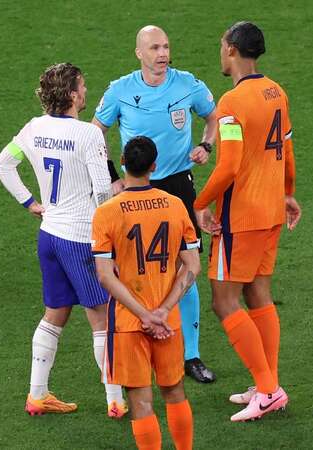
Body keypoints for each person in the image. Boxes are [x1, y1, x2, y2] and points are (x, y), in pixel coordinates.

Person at [0, 62, 127, 418]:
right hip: (81, 239)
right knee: (102, 316)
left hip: (49, 235)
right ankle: (115, 399)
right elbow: (102, 189)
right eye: (82, 87)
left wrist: (31, 203)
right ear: (71, 95)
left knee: (55, 313)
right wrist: (109, 229)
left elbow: (3, 165)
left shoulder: (34, 128)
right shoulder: (88, 135)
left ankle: (37, 395)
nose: (86, 92)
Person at [92, 25, 218, 383]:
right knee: (135, 267)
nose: (162, 54)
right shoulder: (120, 91)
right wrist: (110, 175)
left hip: (178, 186)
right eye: (154, 48)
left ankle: (190, 354)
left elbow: (213, 117)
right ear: (139, 53)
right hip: (136, 188)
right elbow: (95, 132)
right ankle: (137, 341)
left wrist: (206, 145)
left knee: (186, 267)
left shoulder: (187, 85)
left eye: (165, 47)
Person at [193, 21, 303, 422]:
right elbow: (287, 151)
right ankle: (267, 384)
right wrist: (288, 193)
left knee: (225, 301)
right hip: (272, 210)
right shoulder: (276, 91)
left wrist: (199, 203)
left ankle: (269, 390)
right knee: (259, 295)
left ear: (234, 51)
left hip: (240, 217)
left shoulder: (232, 102)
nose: (220, 50)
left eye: (222, 44)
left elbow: (229, 166)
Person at [92, 136, 200, 450]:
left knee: (140, 401)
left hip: (128, 323)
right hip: (169, 322)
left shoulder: (107, 212)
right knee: (175, 392)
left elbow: (103, 275)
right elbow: (191, 266)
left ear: (123, 164)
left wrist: (144, 315)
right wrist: (163, 311)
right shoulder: (175, 205)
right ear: (153, 166)